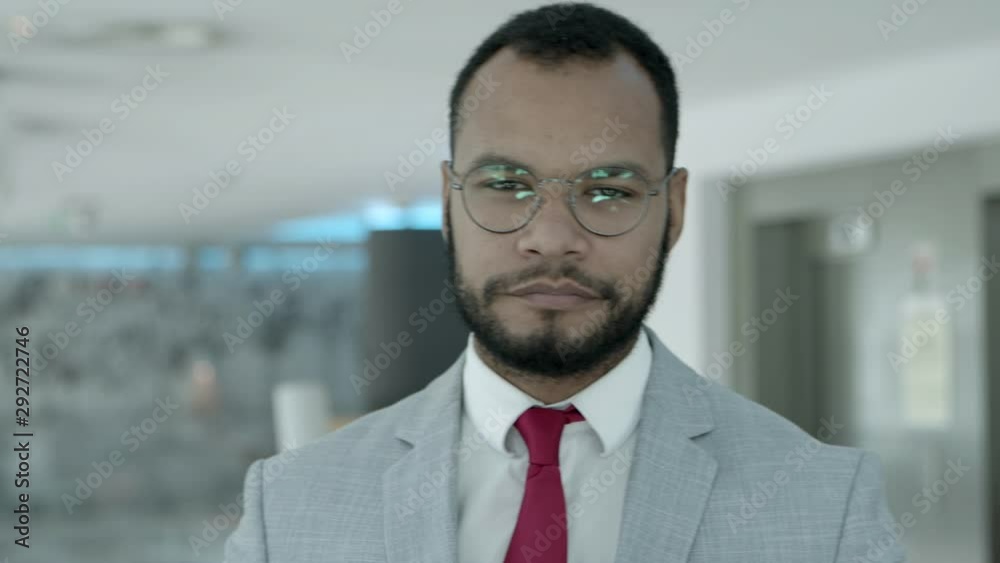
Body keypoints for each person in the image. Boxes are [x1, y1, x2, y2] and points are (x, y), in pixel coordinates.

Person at [223, 3, 906, 562]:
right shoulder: (290, 507)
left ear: (672, 211)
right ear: (448, 204)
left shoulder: (825, 507)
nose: (551, 237)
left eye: (608, 190)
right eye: (505, 184)